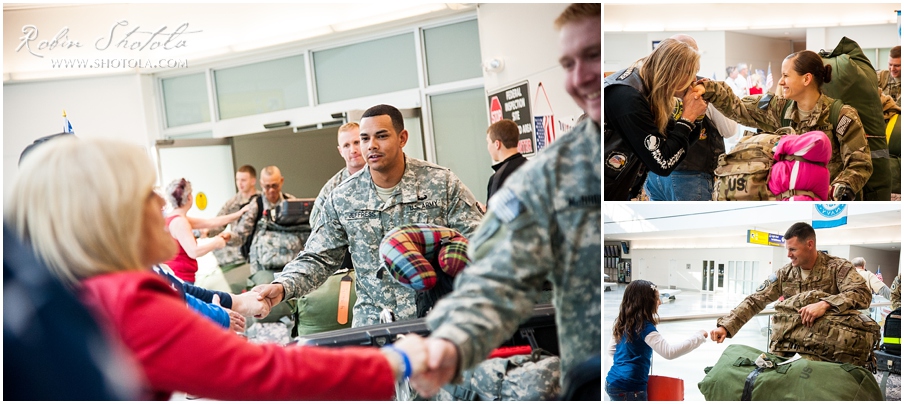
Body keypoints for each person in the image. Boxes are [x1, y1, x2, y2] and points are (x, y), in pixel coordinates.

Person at [5, 136, 431, 401]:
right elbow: (260, 374)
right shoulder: (127, 299)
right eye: (144, 193)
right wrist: (396, 362)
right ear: (111, 215)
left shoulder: (85, 287)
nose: (161, 205)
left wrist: (242, 300)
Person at [409, 3, 601, 399]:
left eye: (594, 54)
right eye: (567, 64)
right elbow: (496, 274)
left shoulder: (665, 140)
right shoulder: (551, 172)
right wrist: (451, 341)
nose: (580, 78)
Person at [253, 104, 484, 327]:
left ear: (402, 138)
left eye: (381, 136)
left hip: (439, 319)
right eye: (365, 138)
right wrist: (283, 286)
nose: (371, 145)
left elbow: (481, 243)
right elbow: (318, 257)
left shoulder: (440, 183)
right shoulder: (343, 196)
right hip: (374, 323)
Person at [698, 50, 873, 201]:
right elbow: (738, 108)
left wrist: (837, 189)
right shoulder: (778, 108)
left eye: (786, 76)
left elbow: (859, 163)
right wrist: (709, 89)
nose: (781, 82)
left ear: (806, 79)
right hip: (787, 201)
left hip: (825, 204)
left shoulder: (841, 115)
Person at [710, 222, 872, 361]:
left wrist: (825, 304)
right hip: (790, 339)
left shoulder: (838, 267)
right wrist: (726, 326)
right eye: (787, 249)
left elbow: (862, 293)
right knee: (768, 374)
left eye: (793, 249)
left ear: (810, 244)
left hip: (828, 346)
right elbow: (755, 301)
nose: (788, 255)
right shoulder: (785, 274)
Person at [604, 37, 708, 200]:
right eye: (691, 73)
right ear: (673, 72)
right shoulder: (628, 97)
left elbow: (676, 144)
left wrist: (697, 116)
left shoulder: (648, 90)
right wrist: (688, 117)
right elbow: (663, 163)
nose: (694, 81)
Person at [643, 34, 738, 201]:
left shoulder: (648, 86)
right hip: (690, 174)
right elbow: (729, 130)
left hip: (653, 174)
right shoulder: (703, 88)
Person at [606, 280, 708, 400]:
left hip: (612, 382)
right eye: (657, 298)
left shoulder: (623, 321)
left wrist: (628, 360)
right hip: (631, 388)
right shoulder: (644, 327)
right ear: (646, 302)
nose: (660, 302)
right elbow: (669, 352)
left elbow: (611, 350)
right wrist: (699, 337)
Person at [163, 178, 249, 284]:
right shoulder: (180, 222)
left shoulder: (175, 217)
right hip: (181, 279)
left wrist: (239, 213)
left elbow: (210, 222)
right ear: (189, 197)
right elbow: (194, 252)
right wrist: (216, 243)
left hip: (177, 278)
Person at [310, 122, 366, 228]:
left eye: (356, 142)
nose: (353, 150)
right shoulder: (332, 188)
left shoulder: (382, 176)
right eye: (346, 145)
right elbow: (316, 224)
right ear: (340, 151)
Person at [208, 165, 259, 270]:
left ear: (253, 181)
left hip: (259, 249)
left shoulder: (261, 200)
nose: (240, 183)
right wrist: (205, 232)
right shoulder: (232, 203)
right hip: (238, 253)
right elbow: (218, 224)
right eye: (237, 180)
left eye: (243, 180)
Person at [485, 119, 528, 205]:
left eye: (488, 142)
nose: (488, 147)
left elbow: (496, 215)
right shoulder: (532, 167)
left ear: (497, 144)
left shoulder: (498, 178)